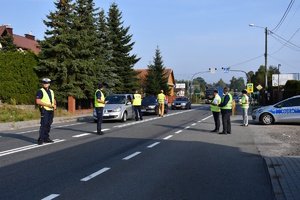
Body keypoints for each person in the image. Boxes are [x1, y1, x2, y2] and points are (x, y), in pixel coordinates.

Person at [36, 78, 56, 145]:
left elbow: (53, 99)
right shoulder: (40, 91)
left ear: (49, 84)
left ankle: (46, 138)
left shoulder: (51, 91)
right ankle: (41, 139)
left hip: (51, 110)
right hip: (45, 110)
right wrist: (47, 105)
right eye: (44, 83)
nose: (45, 84)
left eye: (47, 83)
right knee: (44, 124)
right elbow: (38, 101)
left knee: (48, 124)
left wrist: (55, 105)